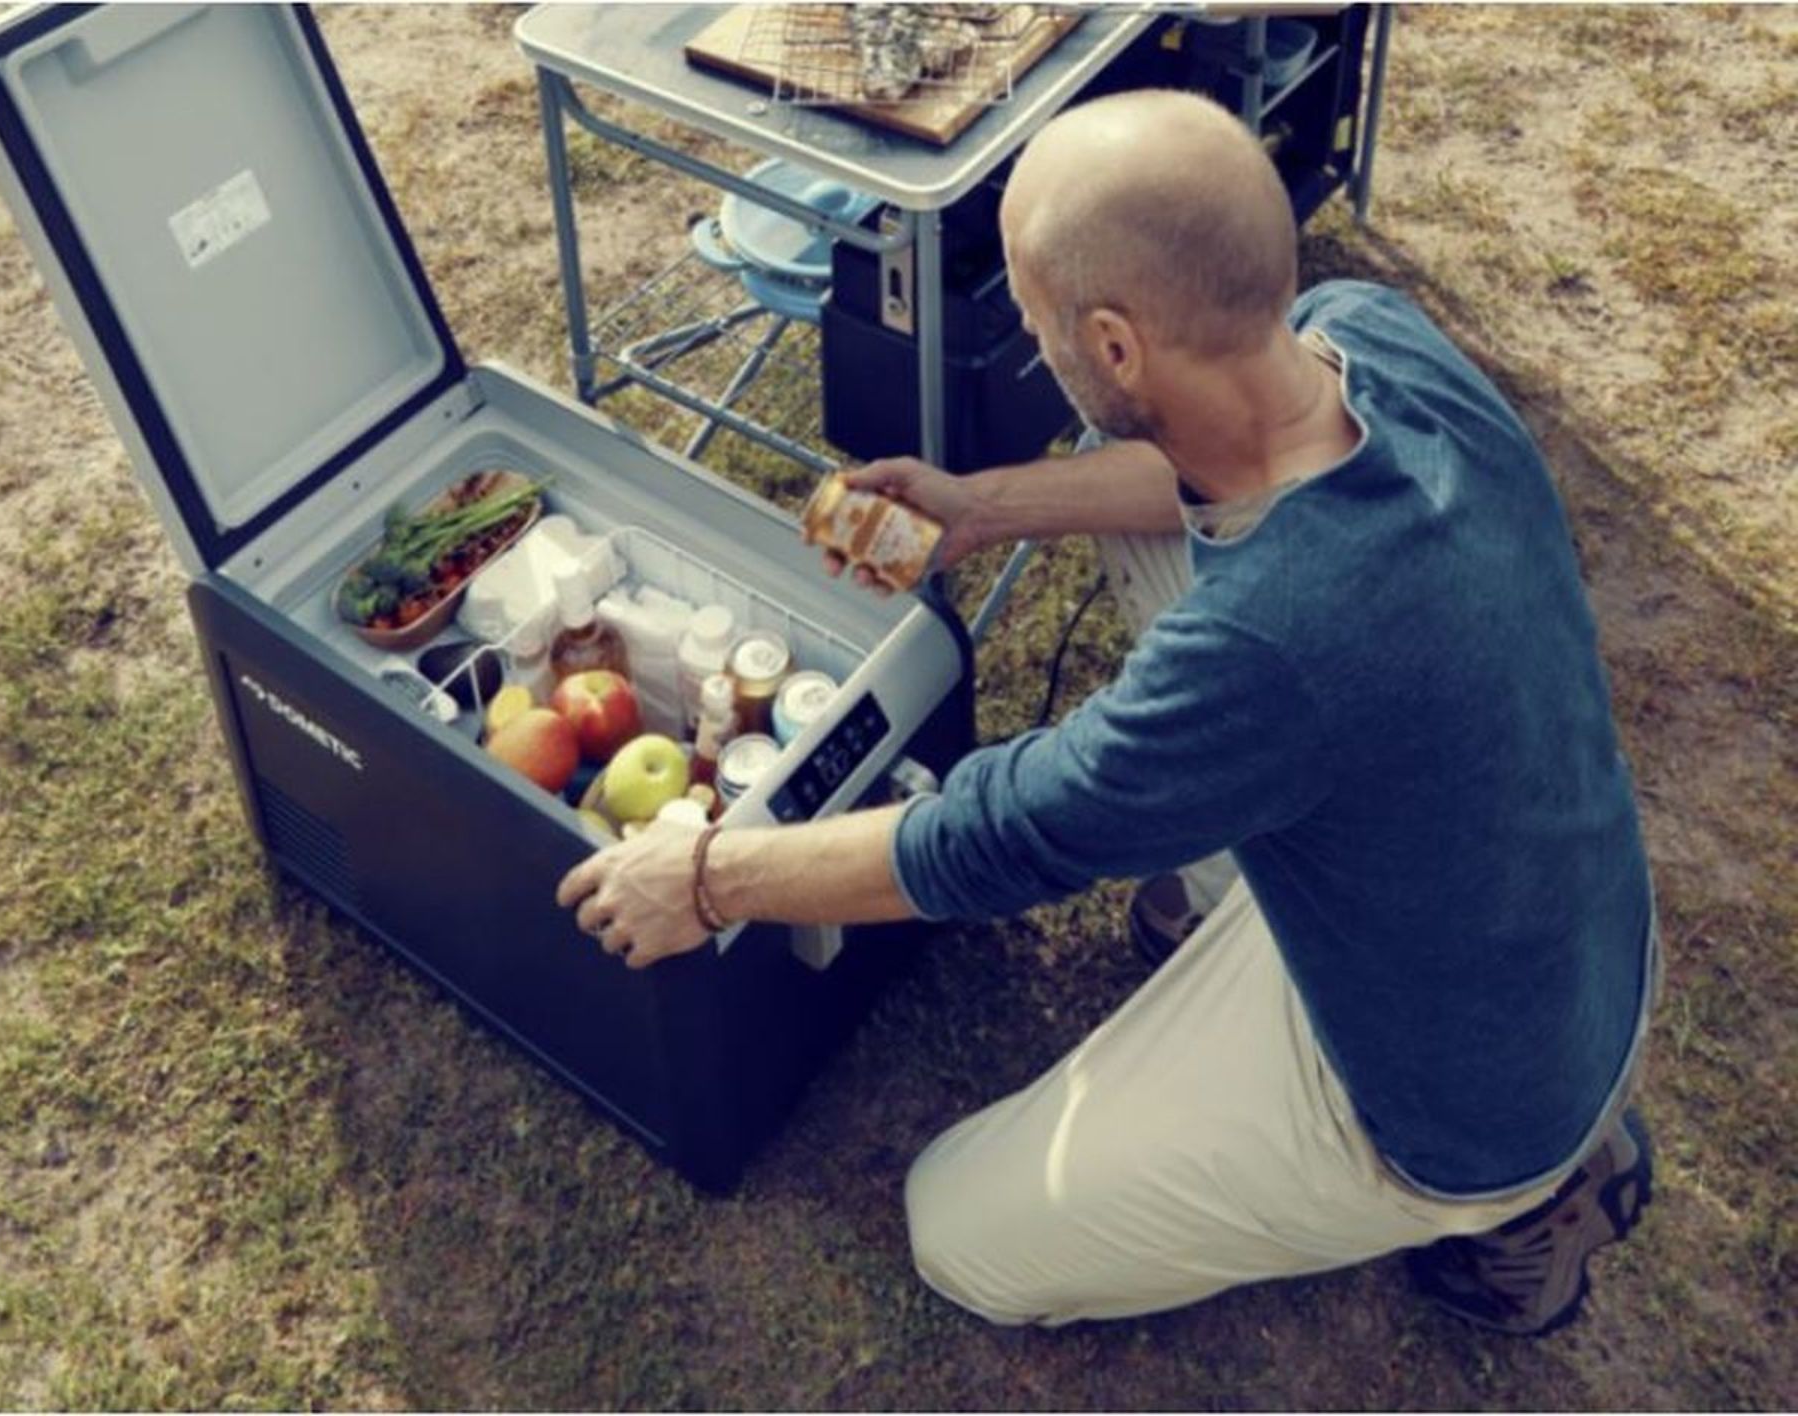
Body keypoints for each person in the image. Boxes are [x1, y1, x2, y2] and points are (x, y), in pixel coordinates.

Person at [556, 90, 1657, 1337]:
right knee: (1168, 539)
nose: (1028, 332)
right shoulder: (1367, 334)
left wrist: (704, 878)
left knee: (957, 1229)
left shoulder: (1269, 648)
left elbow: (990, 841)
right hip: (1549, 918)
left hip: (1458, 1090)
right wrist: (978, 506)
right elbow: (1194, 471)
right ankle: (1252, 915)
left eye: (1034, 311)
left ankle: (1532, 1204)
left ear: (1116, 348)